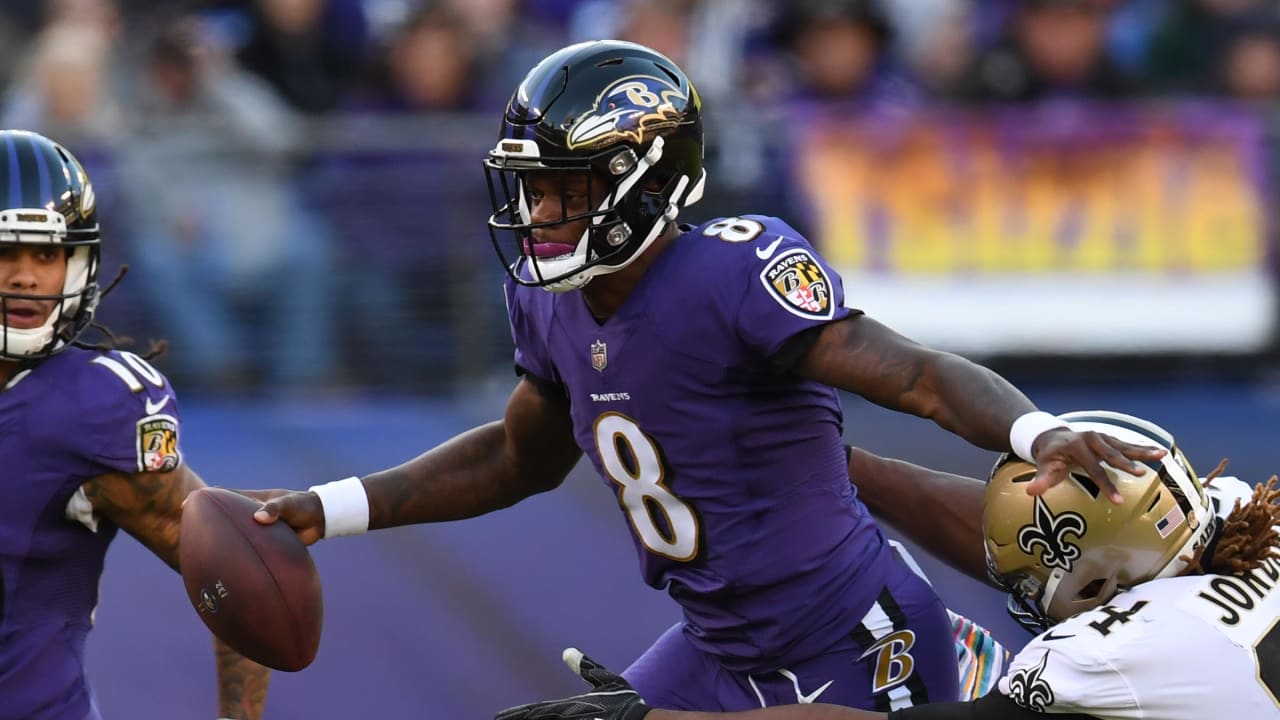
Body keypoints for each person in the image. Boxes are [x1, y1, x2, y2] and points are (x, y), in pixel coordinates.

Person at [251, 40, 1161, 712]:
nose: (535, 213)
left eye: (559, 187)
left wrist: (1031, 433)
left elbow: (912, 375)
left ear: (640, 181)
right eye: (528, 188)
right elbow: (514, 459)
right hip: (721, 647)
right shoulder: (546, 301)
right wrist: (332, 508)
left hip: (846, 634)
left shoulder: (734, 272)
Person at [495, 411, 1280, 720]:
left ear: (1104, 584)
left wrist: (655, 719)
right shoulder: (1243, 514)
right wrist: (834, 464)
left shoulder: (1122, 649)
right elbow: (1051, 516)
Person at [0, 130, 270, 720]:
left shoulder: (91, 406)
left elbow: (240, 568)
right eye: (4, 253)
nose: (23, 277)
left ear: (78, 263)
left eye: (45, 254)